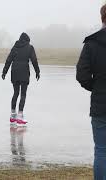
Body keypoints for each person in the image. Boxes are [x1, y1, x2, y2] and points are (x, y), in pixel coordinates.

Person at [76, 4, 106, 179]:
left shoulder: (91, 43)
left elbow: (82, 75)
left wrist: (96, 88)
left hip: (100, 104)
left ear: (101, 17)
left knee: (101, 151)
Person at [2, 33, 40, 126]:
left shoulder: (15, 47)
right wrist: (37, 71)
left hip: (14, 71)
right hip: (24, 72)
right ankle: (20, 116)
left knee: (15, 93)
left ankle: (12, 116)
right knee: (23, 94)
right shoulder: (30, 47)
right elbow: (34, 60)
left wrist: (4, 72)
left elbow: (8, 60)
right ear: (27, 40)